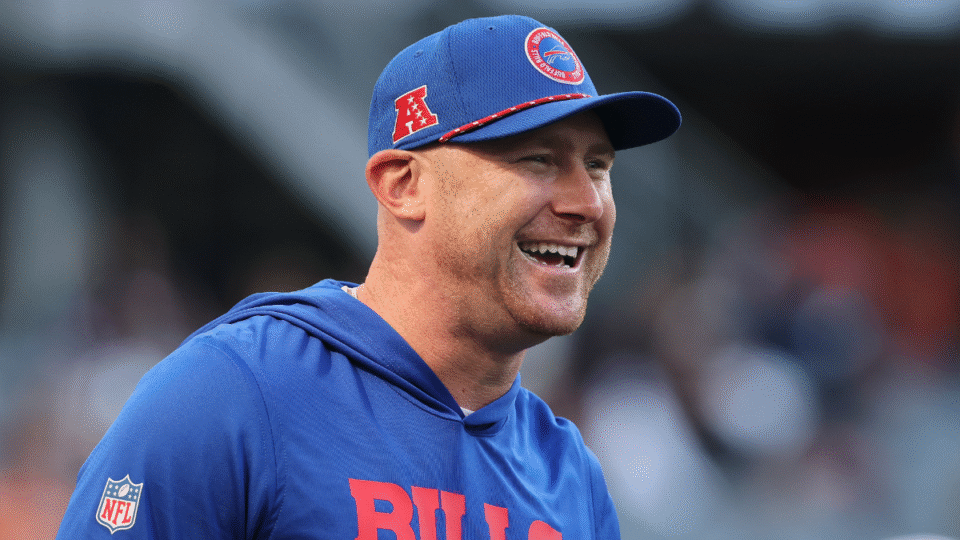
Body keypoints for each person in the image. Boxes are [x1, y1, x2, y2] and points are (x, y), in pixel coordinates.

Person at [55, 14, 680, 539]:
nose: (587, 203)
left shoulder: (570, 475)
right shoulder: (234, 395)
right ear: (403, 185)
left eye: (598, 167)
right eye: (538, 158)